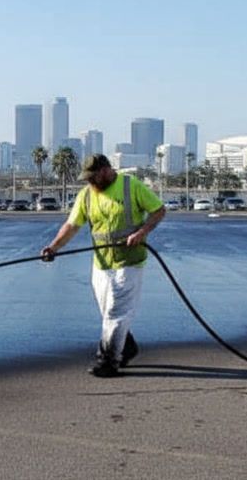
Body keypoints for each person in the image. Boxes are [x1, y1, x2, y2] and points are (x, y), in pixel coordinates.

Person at [41, 154, 165, 377]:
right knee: (107, 311)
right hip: (101, 263)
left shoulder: (131, 186)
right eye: (88, 178)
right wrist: (53, 248)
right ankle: (126, 347)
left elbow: (158, 210)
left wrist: (142, 232)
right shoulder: (86, 195)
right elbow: (72, 225)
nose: (91, 181)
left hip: (129, 261)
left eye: (94, 176)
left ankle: (108, 360)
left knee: (116, 311)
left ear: (107, 170)